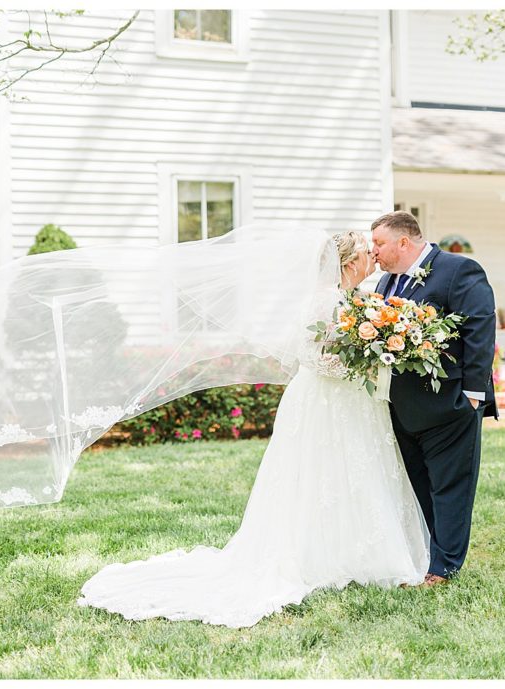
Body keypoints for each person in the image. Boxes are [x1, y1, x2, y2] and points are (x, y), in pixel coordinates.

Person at [76, 232, 430, 627]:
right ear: (349, 263)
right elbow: (313, 358)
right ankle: (317, 556)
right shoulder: (324, 301)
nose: (373, 258)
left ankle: (363, 552)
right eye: (367, 253)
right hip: (324, 402)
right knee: (319, 474)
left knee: (356, 473)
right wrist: (364, 365)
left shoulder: (358, 300)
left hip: (352, 402)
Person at [371, 211, 498, 586]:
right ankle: (427, 556)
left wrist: (472, 397)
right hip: (402, 409)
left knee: (451, 487)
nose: (373, 251)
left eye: (378, 243)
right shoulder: (384, 283)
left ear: (403, 242)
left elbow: (479, 328)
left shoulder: (459, 270)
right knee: (419, 486)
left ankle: (445, 567)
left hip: (450, 404)